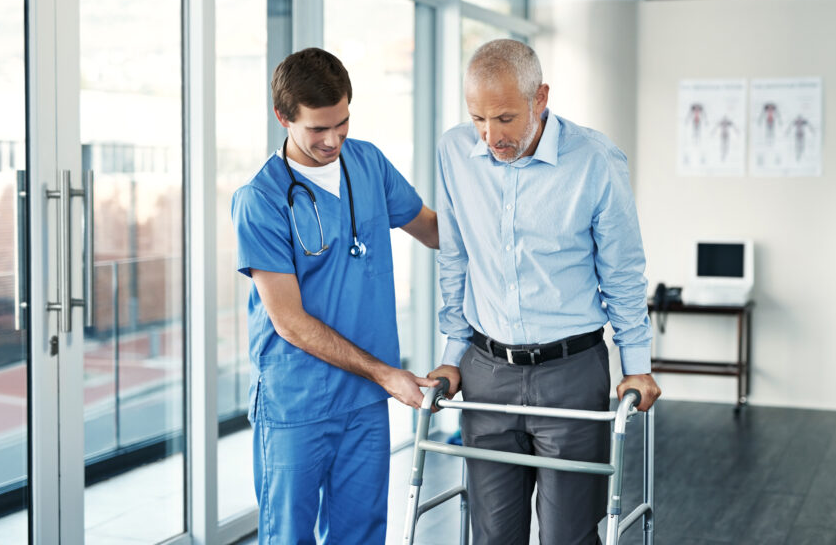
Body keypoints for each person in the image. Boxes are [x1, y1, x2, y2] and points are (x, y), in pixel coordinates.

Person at [428, 39, 661, 545]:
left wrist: (637, 366)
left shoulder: (596, 160)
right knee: (493, 536)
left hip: (570, 374)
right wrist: (451, 354)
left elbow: (622, 273)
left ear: (541, 99)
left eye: (506, 118)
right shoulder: (453, 152)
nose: (491, 136)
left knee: (568, 537)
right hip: (486, 372)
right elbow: (455, 257)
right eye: (478, 119)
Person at [231, 47, 439, 545]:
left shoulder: (367, 163)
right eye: (317, 130)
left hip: (365, 401)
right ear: (283, 117)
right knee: (289, 537)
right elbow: (289, 322)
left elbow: (434, 232)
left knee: (362, 535)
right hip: (297, 402)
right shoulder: (261, 200)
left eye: (341, 123)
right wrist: (386, 373)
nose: (332, 140)